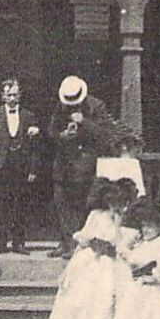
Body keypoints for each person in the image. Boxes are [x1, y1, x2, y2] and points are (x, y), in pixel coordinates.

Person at [46, 178, 136, 319]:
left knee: (101, 304)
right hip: (88, 262)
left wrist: (118, 225)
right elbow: (84, 238)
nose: (114, 208)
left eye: (119, 204)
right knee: (75, 300)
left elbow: (124, 246)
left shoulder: (129, 223)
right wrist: (71, 266)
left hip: (111, 265)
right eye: (112, 204)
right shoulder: (96, 215)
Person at [48, 76, 118, 257]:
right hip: (63, 165)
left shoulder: (97, 106)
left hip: (85, 165)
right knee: (61, 203)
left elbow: (105, 136)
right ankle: (65, 243)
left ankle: (79, 246)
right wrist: (63, 135)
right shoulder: (60, 107)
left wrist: (83, 122)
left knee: (82, 206)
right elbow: (51, 131)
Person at [0, 77, 43, 253]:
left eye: (15, 94)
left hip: (21, 165)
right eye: (9, 95)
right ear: (3, 96)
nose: (13, 98)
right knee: (0, 205)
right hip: (0, 165)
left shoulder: (29, 116)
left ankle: (18, 242)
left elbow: (37, 147)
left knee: (20, 204)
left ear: (20, 95)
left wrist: (33, 169)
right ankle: (0, 243)